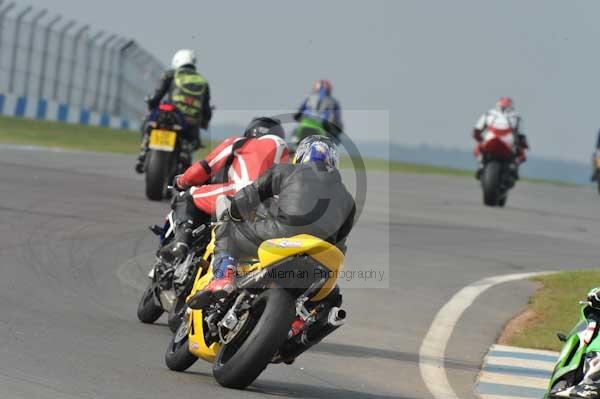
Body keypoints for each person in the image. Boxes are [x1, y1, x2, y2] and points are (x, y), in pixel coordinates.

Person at [187, 135, 356, 309]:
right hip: (322, 251)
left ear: (301, 155)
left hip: (283, 233)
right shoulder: (348, 198)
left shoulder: (287, 171)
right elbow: (341, 242)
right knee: (331, 294)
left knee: (229, 229)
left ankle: (223, 277)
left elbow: (249, 195)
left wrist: (234, 213)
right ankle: (303, 322)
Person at [158, 117, 288, 262]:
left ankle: (181, 243)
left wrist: (181, 181)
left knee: (186, 196)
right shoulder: (286, 153)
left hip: (238, 193)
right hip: (272, 209)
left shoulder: (240, 142)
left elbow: (203, 168)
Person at [135, 49, 212, 173]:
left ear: (177, 61)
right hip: (190, 122)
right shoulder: (203, 81)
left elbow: (157, 95)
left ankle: (143, 153)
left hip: (170, 115)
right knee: (194, 141)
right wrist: (205, 121)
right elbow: (206, 109)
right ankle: (185, 158)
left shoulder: (171, 74)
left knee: (147, 123)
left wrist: (151, 104)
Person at [472, 97, 529, 179]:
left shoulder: (488, 113)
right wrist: (524, 145)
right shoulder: (517, 117)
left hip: (491, 138)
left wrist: (481, 140)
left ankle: (481, 165)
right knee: (521, 154)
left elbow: (476, 131)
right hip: (508, 141)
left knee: (478, 148)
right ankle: (514, 167)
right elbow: (521, 136)